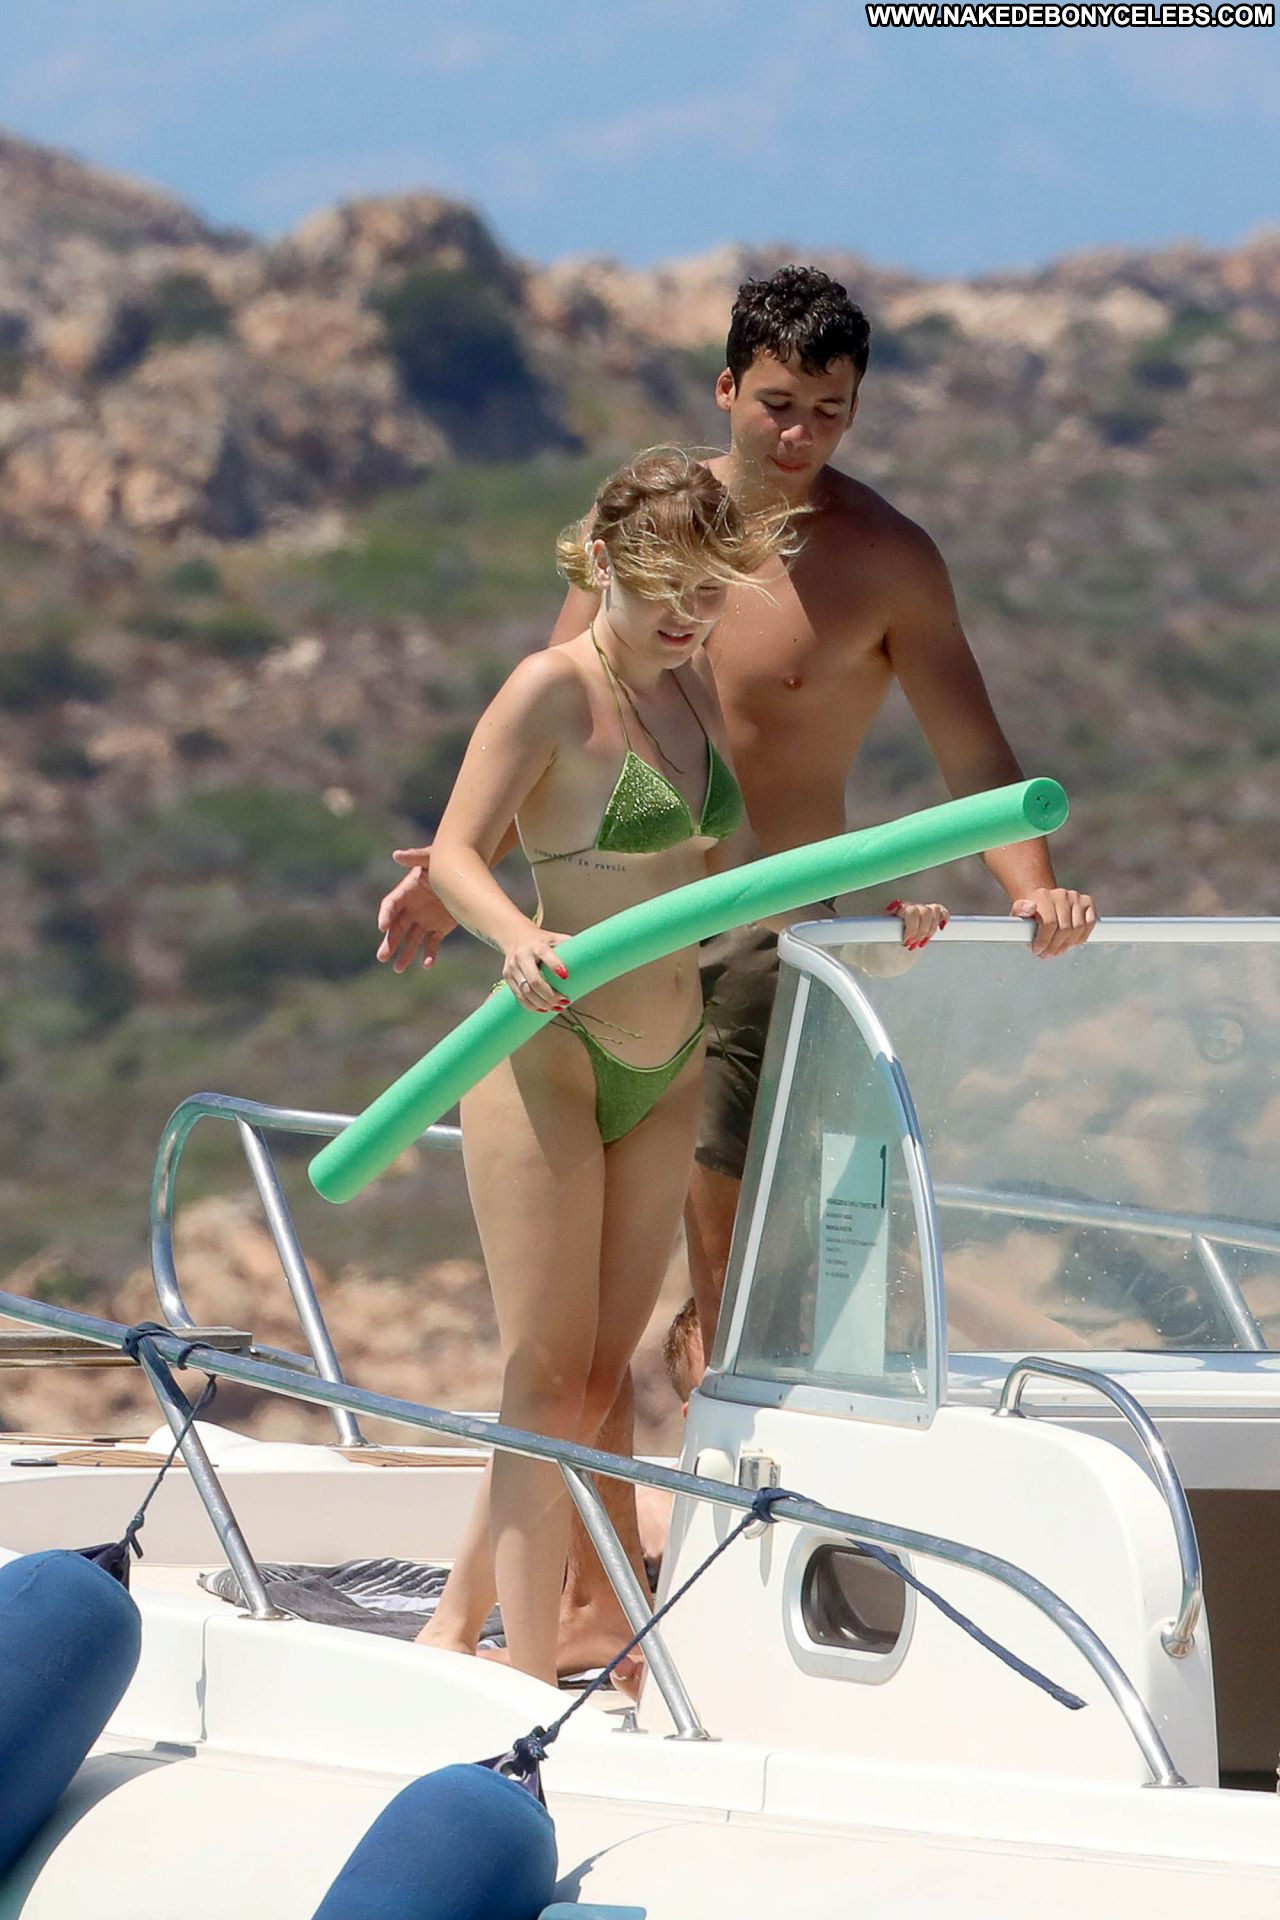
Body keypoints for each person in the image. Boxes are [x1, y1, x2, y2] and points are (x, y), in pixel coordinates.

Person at [379, 265, 1096, 1680]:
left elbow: (975, 756)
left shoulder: (887, 558)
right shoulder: (651, 543)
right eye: (776, 403)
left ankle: (649, 1608)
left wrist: (1032, 891)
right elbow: (555, 729)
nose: (799, 434)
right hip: (627, 952)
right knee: (589, 1339)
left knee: (726, 1306)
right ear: (725, 388)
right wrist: (452, 874)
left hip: (782, 948)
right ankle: (593, 1608)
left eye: (829, 410)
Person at [411, 449, 936, 1684]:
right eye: (667, 590)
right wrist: (516, 935)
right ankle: (522, 1671)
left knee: (598, 1374)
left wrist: (876, 920)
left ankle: (459, 1626)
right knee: (546, 1376)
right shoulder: (549, 687)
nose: (690, 617)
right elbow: (453, 856)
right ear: (604, 563)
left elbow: (718, 890)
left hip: (668, 1056)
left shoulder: (690, 696)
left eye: (709, 593)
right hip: (550, 1049)